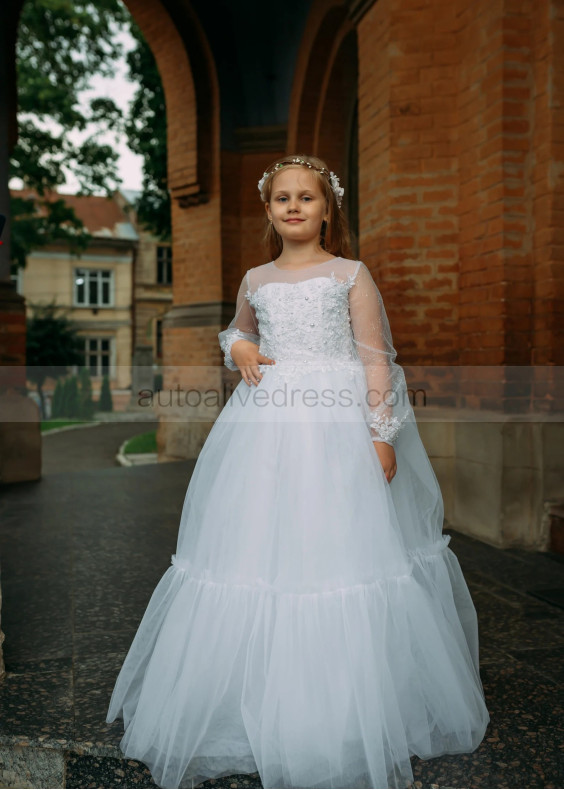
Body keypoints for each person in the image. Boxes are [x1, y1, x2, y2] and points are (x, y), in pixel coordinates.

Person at [106, 154, 490, 789]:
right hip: (268, 426)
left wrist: (381, 434)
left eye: (306, 198)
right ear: (268, 210)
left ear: (327, 208)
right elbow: (236, 331)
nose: (293, 207)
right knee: (263, 544)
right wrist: (241, 347)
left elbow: (375, 358)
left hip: (338, 426)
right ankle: (253, 698)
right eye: (281, 198)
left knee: (340, 548)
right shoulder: (256, 278)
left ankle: (348, 704)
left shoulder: (349, 274)